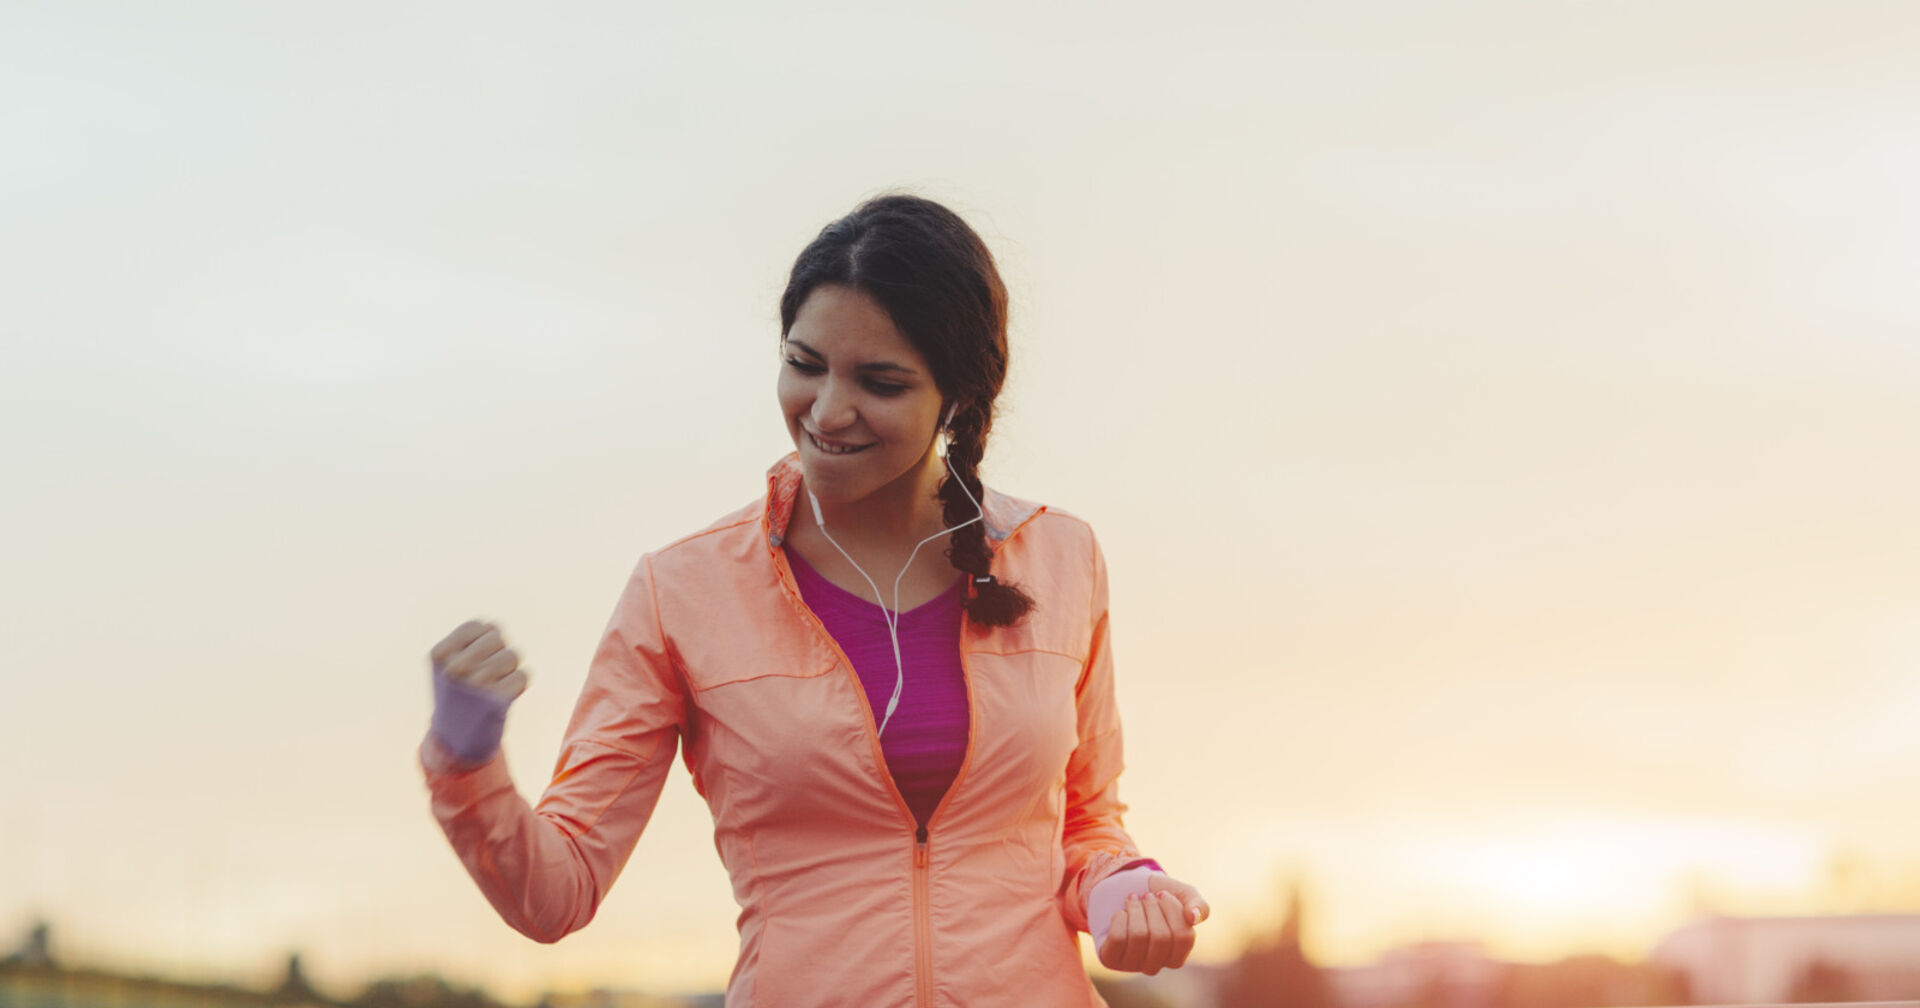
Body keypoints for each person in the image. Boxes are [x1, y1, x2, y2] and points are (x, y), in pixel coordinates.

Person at [421, 194, 1209, 1007]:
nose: (827, 413)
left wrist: (1121, 888)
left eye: (881, 382)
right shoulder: (681, 591)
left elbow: (1086, 825)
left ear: (961, 398)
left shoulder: (1062, 556)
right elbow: (557, 894)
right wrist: (466, 761)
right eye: (805, 365)